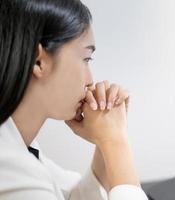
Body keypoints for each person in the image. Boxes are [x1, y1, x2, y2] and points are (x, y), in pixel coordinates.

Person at [0, 0, 148, 199]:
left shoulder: (21, 146)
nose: (90, 81)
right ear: (38, 61)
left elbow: (69, 195)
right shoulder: (9, 167)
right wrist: (115, 142)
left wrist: (106, 142)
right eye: (86, 59)